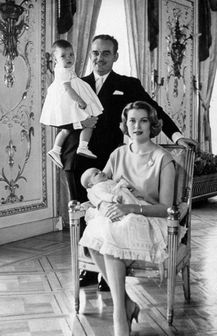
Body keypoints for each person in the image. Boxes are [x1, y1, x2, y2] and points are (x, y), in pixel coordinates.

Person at [61, 34, 197, 290]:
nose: (99, 58)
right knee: (86, 213)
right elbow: (60, 118)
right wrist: (69, 137)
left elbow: (153, 109)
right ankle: (90, 268)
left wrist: (177, 136)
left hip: (108, 158)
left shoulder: (127, 83)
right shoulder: (76, 83)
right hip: (77, 158)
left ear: (115, 56)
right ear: (90, 55)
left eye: (105, 53)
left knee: (113, 211)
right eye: (95, 53)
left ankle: (109, 273)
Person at [79, 101, 176, 336]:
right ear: (126, 124)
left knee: (109, 234)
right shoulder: (118, 154)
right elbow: (98, 189)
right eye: (132, 120)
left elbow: (166, 207)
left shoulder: (163, 158)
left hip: (148, 218)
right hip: (119, 216)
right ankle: (125, 305)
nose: (137, 126)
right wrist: (102, 207)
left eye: (143, 120)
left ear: (152, 124)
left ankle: (119, 316)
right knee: (95, 233)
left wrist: (130, 208)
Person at [40, 39, 103, 168]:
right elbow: (68, 89)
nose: (69, 58)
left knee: (66, 130)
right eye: (63, 56)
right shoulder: (63, 70)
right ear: (55, 59)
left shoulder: (65, 69)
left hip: (67, 98)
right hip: (69, 99)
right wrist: (80, 100)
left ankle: (56, 150)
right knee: (89, 121)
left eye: (71, 54)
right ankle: (83, 146)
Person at [80, 167, 150, 212]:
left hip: (126, 195)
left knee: (137, 203)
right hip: (118, 200)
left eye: (100, 170)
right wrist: (113, 198)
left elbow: (117, 185)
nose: (100, 172)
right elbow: (103, 195)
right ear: (91, 184)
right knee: (128, 206)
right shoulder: (97, 187)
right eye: (96, 174)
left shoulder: (108, 181)